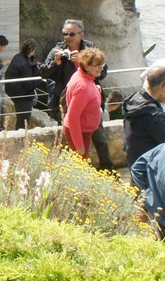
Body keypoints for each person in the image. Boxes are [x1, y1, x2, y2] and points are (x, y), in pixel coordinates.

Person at [40, 19, 114, 169]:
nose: (68, 37)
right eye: (65, 34)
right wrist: (56, 63)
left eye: (72, 34)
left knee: (99, 137)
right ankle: (72, 171)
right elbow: (44, 73)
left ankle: (107, 168)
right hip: (67, 101)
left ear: (81, 35)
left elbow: (102, 72)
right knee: (73, 141)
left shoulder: (90, 50)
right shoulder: (57, 50)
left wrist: (82, 60)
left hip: (89, 102)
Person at [123, 65, 165, 166]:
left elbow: (150, 126)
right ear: (164, 84)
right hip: (146, 163)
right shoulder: (153, 114)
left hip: (133, 157)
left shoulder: (136, 99)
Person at [61, 47, 106, 160]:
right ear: (86, 66)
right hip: (80, 132)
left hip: (83, 130)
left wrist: (95, 89)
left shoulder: (82, 75)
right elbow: (73, 116)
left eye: (101, 64)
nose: (101, 68)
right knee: (79, 165)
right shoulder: (83, 87)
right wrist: (79, 145)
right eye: (97, 65)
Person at [4, 38, 44, 130]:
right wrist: (40, 77)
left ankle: (18, 133)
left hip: (14, 93)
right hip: (22, 96)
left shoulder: (18, 57)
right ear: (32, 49)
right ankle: (21, 136)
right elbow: (29, 84)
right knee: (23, 121)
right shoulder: (24, 63)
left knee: (20, 118)